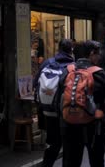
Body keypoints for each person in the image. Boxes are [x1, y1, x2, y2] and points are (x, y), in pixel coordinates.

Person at [60, 40, 105, 167]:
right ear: (92, 53)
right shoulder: (98, 72)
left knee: (71, 160)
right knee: (96, 159)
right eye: (99, 54)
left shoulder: (68, 70)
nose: (100, 57)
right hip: (94, 125)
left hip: (70, 123)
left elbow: (57, 98)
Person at [34, 39, 74, 167]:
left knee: (52, 144)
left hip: (48, 111)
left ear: (58, 49)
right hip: (66, 112)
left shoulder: (47, 63)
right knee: (68, 145)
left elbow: (36, 83)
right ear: (71, 50)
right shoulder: (73, 66)